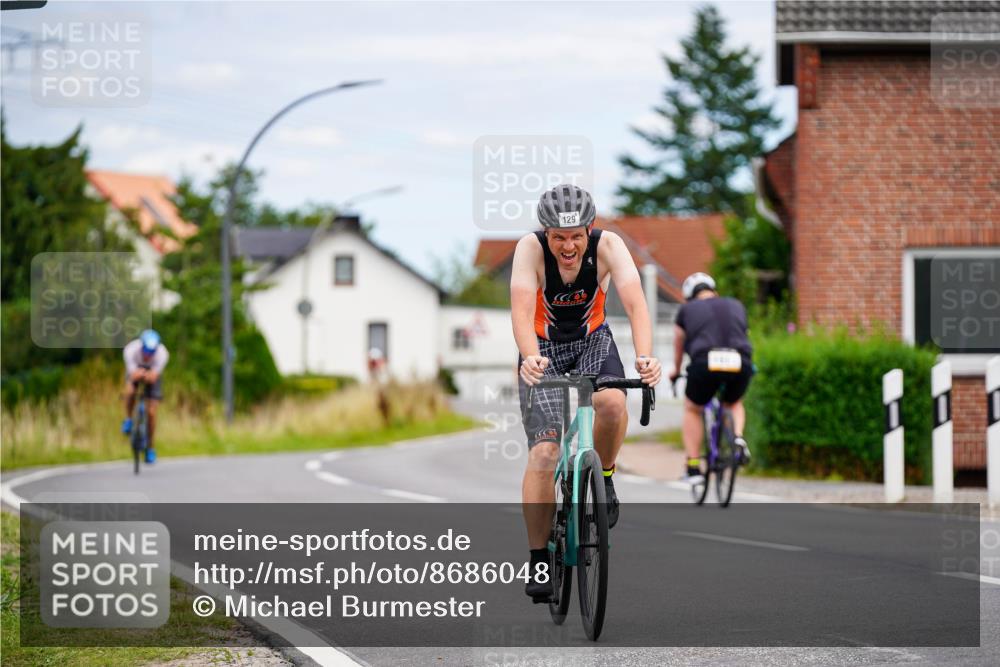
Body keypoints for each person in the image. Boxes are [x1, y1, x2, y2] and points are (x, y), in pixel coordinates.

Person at [511, 184, 661, 600]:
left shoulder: (609, 246)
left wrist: (646, 357)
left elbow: (636, 305)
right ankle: (540, 558)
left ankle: (606, 477)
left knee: (612, 402)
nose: (568, 246)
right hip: (542, 348)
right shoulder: (530, 249)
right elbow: (521, 310)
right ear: (545, 234)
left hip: (593, 340)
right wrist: (528, 357)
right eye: (558, 237)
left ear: (589, 229)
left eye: (576, 235)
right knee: (544, 452)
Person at [669, 273, 753, 485]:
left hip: (704, 362)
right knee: (733, 402)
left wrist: (675, 370)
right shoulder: (736, 305)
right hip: (740, 360)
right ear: (714, 291)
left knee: (692, 408)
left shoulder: (687, 310)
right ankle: (738, 437)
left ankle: (694, 467)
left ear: (689, 297)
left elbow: (679, 341)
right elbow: (745, 334)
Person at [122, 329, 169, 463]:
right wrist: (139, 374)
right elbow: (132, 374)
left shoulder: (162, 354)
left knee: (152, 412)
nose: (148, 355)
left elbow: (154, 376)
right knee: (130, 391)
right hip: (135, 369)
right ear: (141, 346)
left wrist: (148, 375)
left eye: (151, 352)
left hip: (152, 374)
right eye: (146, 351)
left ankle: (150, 448)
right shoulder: (131, 350)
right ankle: (128, 419)